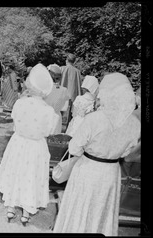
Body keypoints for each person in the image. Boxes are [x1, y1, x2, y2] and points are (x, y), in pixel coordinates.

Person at [53, 72, 141, 235]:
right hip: (111, 173)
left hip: (88, 169)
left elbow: (73, 148)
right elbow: (127, 154)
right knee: (102, 212)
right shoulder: (134, 124)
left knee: (81, 210)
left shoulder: (95, 118)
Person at [0, 63, 59, 226]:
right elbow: (49, 132)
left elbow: (15, 124)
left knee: (15, 171)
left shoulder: (20, 103)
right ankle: (26, 212)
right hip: (36, 146)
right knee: (31, 175)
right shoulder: (48, 110)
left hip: (18, 143)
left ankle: (10, 207)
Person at [44, 64, 70, 134]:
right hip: (57, 118)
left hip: (44, 116)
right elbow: (65, 108)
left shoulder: (44, 89)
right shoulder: (64, 90)